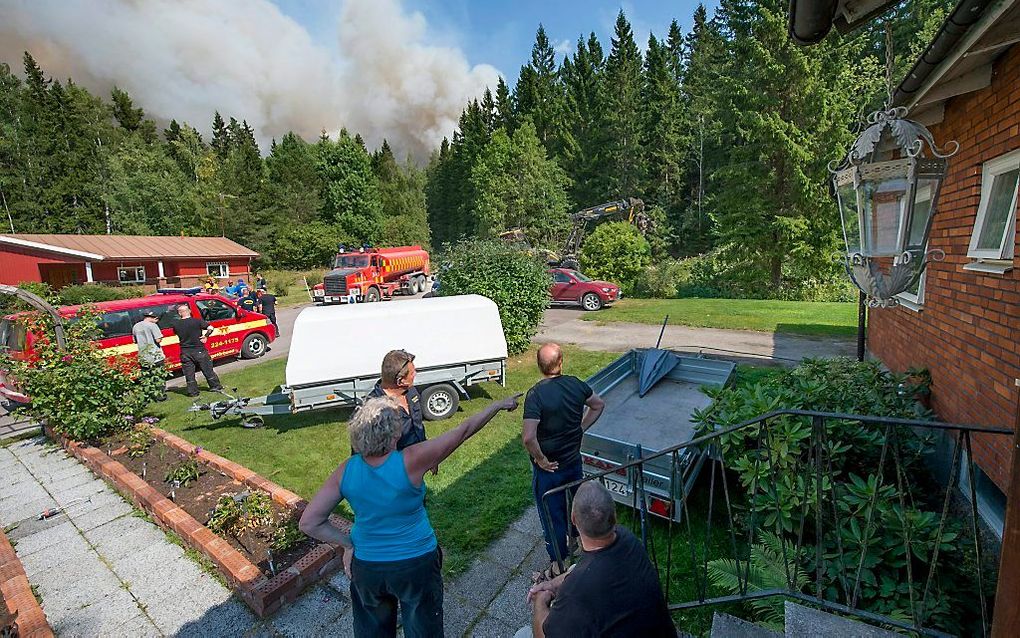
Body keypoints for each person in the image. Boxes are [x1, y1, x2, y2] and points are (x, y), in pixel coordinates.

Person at [299, 392, 522, 638]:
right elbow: (464, 430)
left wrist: (348, 545)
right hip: (416, 565)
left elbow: (310, 522)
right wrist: (498, 405)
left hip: (367, 567)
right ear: (395, 434)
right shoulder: (412, 460)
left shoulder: (346, 470)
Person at [517, 482, 677, 638]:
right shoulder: (627, 539)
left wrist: (539, 603)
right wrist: (551, 584)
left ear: (573, 519)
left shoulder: (575, 593)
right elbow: (581, 570)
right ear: (614, 516)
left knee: (522, 634)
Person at [523, 342, 605, 576]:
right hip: (573, 463)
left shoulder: (536, 394)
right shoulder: (576, 384)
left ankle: (559, 564)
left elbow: (529, 437)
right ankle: (581, 543)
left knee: (552, 515)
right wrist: (581, 428)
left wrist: (540, 460)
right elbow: (598, 405)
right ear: (561, 362)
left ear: (540, 366)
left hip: (549, 471)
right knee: (575, 506)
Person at [367, 350, 425, 450]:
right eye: (412, 373)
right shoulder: (372, 411)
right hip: (399, 464)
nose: (415, 374)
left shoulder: (411, 391)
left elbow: (418, 427)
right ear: (400, 381)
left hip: (421, 456)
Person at [172, 303, 222, 397]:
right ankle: (215, 386)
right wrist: (206, 336)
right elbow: (211, 327)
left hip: (185, 352)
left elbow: (177, 333)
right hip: (199, 349)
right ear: (189, 311)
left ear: (179, 313)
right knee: (207, 370)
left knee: (189, 374)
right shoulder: (197, 321)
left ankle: (193, 392)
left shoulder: (176, 325)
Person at [131, 310, 167, 401]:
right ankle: (160, 396)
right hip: (155, 356)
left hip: (143, 356)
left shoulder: (136, 326)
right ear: (155, 318)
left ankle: (149, 396)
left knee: (147, 378)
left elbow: (135, 341)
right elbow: (158, 340)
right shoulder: (153, 326)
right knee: (159, 377)